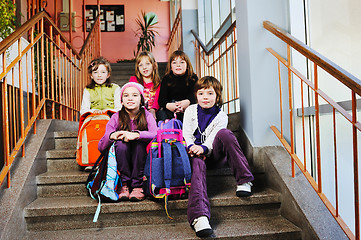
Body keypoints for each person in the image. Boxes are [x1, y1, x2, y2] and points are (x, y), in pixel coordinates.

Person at [183, 76, 254, 238]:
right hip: (194, 155)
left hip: (214, 155)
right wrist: (191, 147)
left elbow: (212, 139)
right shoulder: (190, 110)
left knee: (226, 134)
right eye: (201, 93)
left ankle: (244, 179)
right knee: (198, 163)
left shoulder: (221, 116)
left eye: (210, 93)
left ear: (217, 96)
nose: (205, 97)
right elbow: (186, 134)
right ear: (196, 96)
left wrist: (202, 148)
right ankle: (199, 216)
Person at [98, 82, 157, 202]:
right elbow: (101, 147)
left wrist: (136, 135)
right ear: (121, 100)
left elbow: (155, 134)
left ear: (141, 100)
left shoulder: (147, 115)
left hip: (140, 160)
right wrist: (112, 135)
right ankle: (124, 184)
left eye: (135, 95)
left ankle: (137, 185)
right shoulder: (116, 117)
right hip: (122, 158)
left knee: (140, 144)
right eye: (126, 95)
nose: (130, 98)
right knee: (121, 144)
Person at [158, 50, 198, 121]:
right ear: (170, 66)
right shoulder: (166, 79)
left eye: (182, 62)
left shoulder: (193, 78)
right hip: (171, 107)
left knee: (195, 113)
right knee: (161, 113)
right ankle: (168, 128)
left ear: (187, 65)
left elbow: (195, 95)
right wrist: (169, 105)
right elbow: (161, 99)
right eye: (174, 62)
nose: (178, 65)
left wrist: (187, 102)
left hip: (188, 107)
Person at [129, 51, 161, 119]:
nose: (144, 67)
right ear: (137, 67)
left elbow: (157, 100)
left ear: (154, 65)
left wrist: (153, 110)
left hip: (153, 112)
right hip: (138, 111)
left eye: (147, 64)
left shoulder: (158, 83)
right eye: (141, 65)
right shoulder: (134, 80)